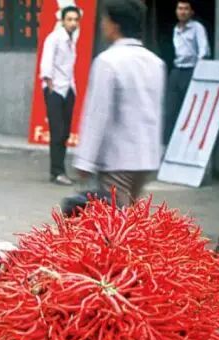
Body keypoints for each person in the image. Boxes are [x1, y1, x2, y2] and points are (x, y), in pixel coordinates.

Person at [73, 0, 166, 207]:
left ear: (115, 25)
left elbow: (97, 114)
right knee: (130, 216)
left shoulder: (108, 61)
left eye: (105, 20)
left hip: (117, 159)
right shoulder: (155, 63)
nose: (102, 25)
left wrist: (85, 161)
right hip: (146, 159)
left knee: (116, 220)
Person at [40, 5, 81, 186]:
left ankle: (59, 170)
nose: (73, 23)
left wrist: (71, 89)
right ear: (62, 21)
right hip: (55, 90)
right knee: (57, 132)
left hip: (68, 89)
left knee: (64, 133)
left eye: (75, 20)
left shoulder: (72, 40)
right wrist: (51, 88)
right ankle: (57, 172)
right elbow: (46, 64)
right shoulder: (54, 38)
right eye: (69, 19)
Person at [164, 0, 209, 142]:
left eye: (186, 9)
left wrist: (199, 71)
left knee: (191, 108)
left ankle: (189, 143)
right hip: (177, 70)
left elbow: (203, 51)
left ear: (191, 12)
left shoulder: (197, 28)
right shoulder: (176, 29)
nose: (182, 12)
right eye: (180, 8)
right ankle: (169, 143)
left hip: (191, 71)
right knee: (170, 109)